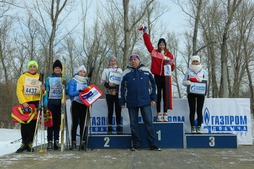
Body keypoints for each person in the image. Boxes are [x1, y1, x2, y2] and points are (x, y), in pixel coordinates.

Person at [119, 53, 161, 151]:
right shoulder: (125, 72)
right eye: (131, 59)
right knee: (133, 124)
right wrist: (122, 101)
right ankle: (136, 145)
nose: (133, 61)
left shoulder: (146, 70)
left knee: (149, 123)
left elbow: (153, 85)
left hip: (145, 101)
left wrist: (153, 98)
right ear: (130, 61)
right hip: (131, 101)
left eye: (135, 59)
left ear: (139, 60)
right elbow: (122, 88)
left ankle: (153, 145)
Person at [139, 26, 175, 122]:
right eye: (160, 44)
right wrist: (145, 33)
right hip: (157, 76)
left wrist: (170, 63)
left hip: (166, 77)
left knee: (166, 95)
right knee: (158, 95)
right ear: (158, 45)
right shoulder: (154, 52)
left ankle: (166, 113)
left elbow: (173, 67)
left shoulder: (169, 55)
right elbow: (148, 44)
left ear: (165, 45)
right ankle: (159, 113)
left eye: (163, 44)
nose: (161, 46)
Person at [16, 60, 45, 153]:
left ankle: (30, 143)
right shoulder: (23, 77)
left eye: (34, 67)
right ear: (28, 68)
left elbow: (43, 93)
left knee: (33, 124)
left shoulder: (39, 77)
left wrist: (43, 90)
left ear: (36, 68)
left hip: (35, 102)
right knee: (25, 123)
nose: (32, 68)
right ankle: (24, 142)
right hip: (26, 102)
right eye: (31, 66)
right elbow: (19, 90)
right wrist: (23, 102)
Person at [44, 60, 68, 150]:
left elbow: (67, 91)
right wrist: (45, 103)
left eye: (59, 68)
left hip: (60, 102)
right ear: (53, 69)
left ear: (61, 69)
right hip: (51, 102)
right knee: (50, 123)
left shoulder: (64, 78)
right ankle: (49, 141)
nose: (57, 69)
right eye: (56, 68)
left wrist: (65, 85)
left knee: (58, 123)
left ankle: (56, 141)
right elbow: (46, 91)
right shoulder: (49, 79)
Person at [182, 55, 207, 133]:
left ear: (199, 62)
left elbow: (207, 81)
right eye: (194, 61)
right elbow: (183, 82)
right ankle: (192, 126)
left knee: (199, 110)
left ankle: (199, 126)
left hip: (200, 93)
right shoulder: (188, 71)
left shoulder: (203, 71)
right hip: (191, 93)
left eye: (196, 61)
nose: (195, 63)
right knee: (192, 110)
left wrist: (201, 80)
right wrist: (187, 82)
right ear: (191, 62)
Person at [68, 65, 89, 150]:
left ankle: (82, 141)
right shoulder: (73, 80)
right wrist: (78, 92)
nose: (82, 73)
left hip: (83, 104)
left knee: (83, 123)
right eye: (80, 71)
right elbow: (70, 93)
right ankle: (73, 142)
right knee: (75, 122)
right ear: (78, 72)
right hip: (76, 102)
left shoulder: (86, 82)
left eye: (83, 72)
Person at [101, 56, 123, 134]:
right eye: (111, 61)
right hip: (109, 92)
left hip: (117, 92)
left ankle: (119, 125)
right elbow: (103, 81)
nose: (113, 62)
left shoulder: (119, 70)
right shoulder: (106, 70)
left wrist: (116, 85)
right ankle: (109, 126)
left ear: (116, 62)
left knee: (118, 110)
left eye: (114, 61)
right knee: (110, 110)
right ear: (109, 62)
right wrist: (108, 85)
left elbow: (121, 81)